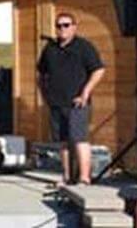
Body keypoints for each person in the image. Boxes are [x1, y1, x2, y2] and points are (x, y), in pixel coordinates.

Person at [37, 12, 105, 186]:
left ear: (74, 27)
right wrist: (45, 94)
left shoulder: (84, 47)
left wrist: (85, 93)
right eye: (59, 26)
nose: (62, 29)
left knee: (80, 139)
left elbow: (98, 70)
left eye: (66, 25)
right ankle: (67, 176)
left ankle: (84, 177)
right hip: (56, 103)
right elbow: (41, 73)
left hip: (77, 102)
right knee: (63, 142)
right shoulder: (50, 49)